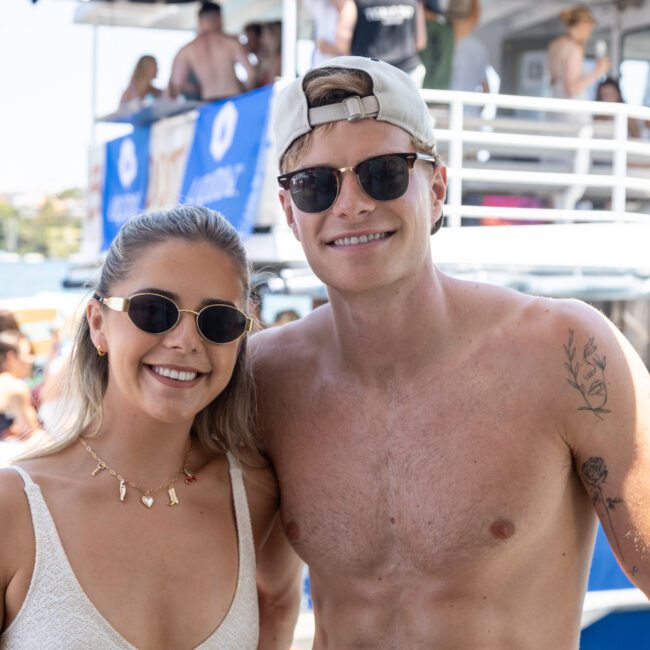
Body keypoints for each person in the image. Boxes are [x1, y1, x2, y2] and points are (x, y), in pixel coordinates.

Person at [250, 56, 650, 647]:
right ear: (290, 212)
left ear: (436, 188)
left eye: (383, 172)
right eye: (315, 185)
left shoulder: (565, 354)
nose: (351, 204)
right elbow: (263, 597)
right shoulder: (265, 379)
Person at [0, 207, 301, 648]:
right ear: (98, 324)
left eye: (218, 319)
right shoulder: (14, 510)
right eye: (153, 311)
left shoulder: (255, 496)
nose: (185, 340)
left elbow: (278, 609)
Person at [169, 2, 256, 101]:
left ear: (199, 21)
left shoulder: (187, 50)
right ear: (220, 19)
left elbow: (176, 85)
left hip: (208, 103)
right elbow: (252, 74)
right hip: (233, 98)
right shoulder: (232, 43)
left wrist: (195, 89)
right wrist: (246, 92)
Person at [335, 0, 427, 86]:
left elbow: (343, 38)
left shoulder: (354, 2)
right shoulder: (414, 1)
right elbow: (420, 42)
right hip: (407, 71)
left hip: (367, 73)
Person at [547, 5, 610, 100]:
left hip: (554, 103)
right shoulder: (574, 49)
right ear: (582, 25)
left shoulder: (554, 45)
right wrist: (598, 70)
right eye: (589, 31)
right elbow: (571, 89)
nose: (588, 36)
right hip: (571, 109)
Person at [421, 0, 481, 90]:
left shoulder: (411, 29)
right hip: (440, 99)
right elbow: (473, 18)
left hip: (417, 95)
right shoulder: (451, 32)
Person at [302, 0, 346, 65]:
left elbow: (344, 50)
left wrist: (326, 47)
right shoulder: (321, 6)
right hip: (320, 65)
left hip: (337, 67)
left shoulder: (348, 9)